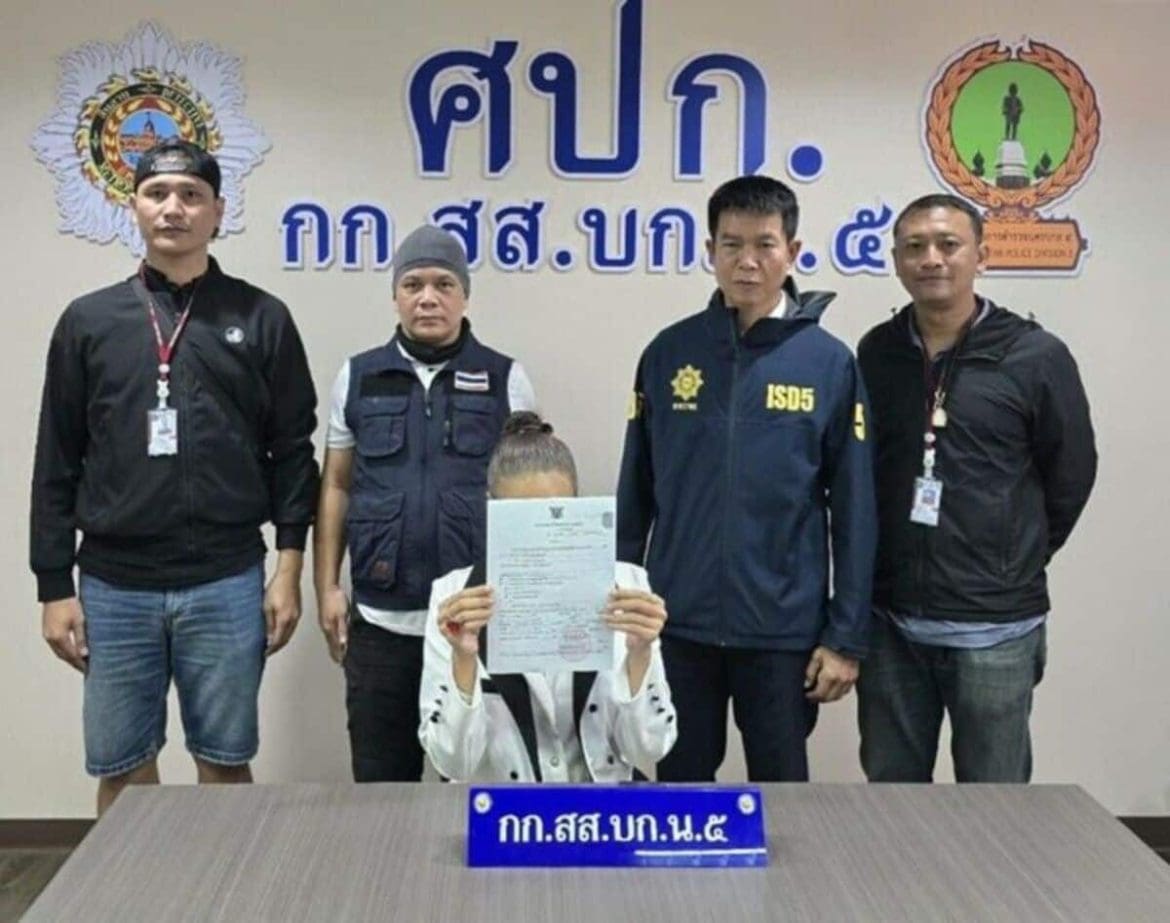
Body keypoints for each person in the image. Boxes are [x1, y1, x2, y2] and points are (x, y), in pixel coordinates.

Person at [31, 140, 318, 814]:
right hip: (114, 585)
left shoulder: (261, 317)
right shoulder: (88, 321)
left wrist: (288, 569)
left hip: (225, 578)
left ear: (218, 211)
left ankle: (224, 882)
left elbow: (292, 452)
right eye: (157, 194)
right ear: (133, 206)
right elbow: (57, 459)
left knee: (225, 760)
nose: (173, 208)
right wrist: (53, 586)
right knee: (123, 769)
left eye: (191, 195)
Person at [616, 174, 876, 782]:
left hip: (782, 630)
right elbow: (635, 495)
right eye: (731, 245)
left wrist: (845, 636)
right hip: (677, 624)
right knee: (680, 790)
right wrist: (621, 607)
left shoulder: (829, 363)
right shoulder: (669, 352)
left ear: (793, 251)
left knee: (783, 791)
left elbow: (855, 511)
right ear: (710, 251)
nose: (748, 262)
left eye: (765, 244)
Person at [856, 193, 1097, 783]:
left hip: (997, 627)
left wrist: (1015, 555)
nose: (931, 259)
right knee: (891, 800)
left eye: (948, 244)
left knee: (995, 805)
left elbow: (1071, 474)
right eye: (915, 247)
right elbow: (863, 472)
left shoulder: (1035, 355)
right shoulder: (877, 351)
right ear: (896, 260)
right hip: (892, 622)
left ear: (981, 257)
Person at [314, 225, 536, 782]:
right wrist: (327, 587)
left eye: (443, 284)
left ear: (465, 295)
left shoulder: (506, 379)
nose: (428, 298)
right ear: (395, 295)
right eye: (413, 285)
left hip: (475, 624)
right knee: (381, 789)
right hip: (380, 624)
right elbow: (336, 485)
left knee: (470, 784)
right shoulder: (358, 376)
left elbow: (529, 500)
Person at [420, 412, 677, 782]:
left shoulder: (628, 587)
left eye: (556, 515)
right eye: (521, 519)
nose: (539, 536)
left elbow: (648, 750)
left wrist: (640, 655)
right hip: (507, 807)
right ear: (492, 510)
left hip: (599, 801)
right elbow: (452, 765)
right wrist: (463, 659)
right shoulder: (453, 598)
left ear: (578, 505)